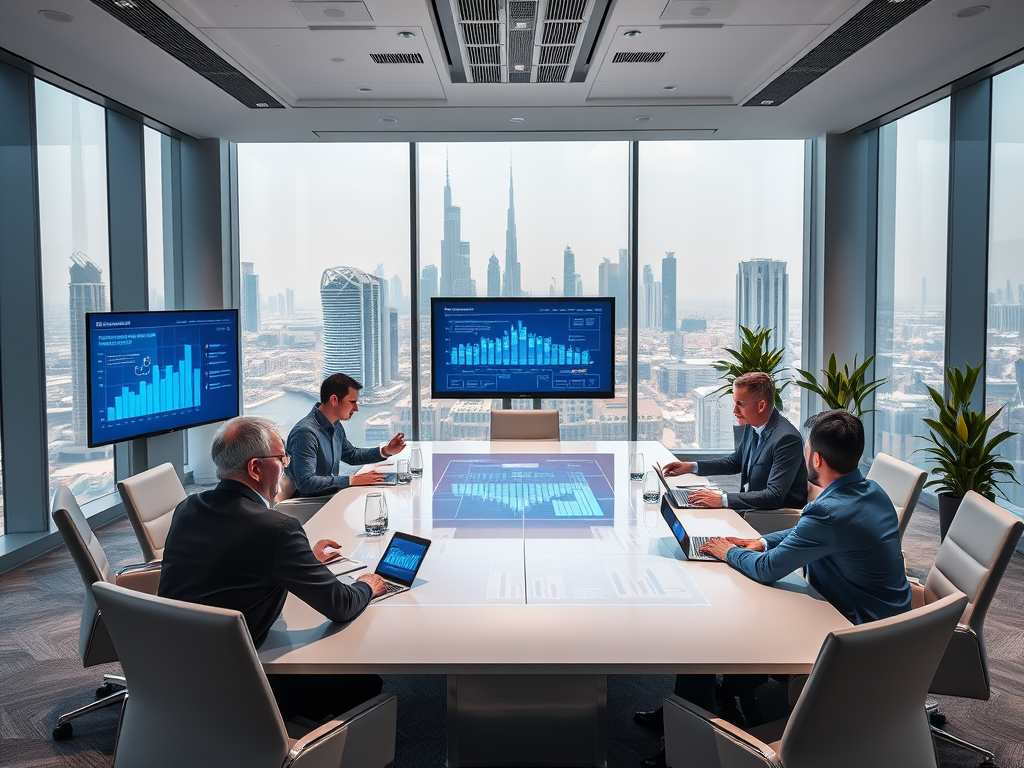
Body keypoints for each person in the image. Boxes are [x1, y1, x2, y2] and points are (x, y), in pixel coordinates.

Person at [636, 410, 911, 768]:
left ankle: (690, 739)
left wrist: (728, 550)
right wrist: (759, 541)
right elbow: (808, 533)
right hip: (891, 630)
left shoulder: (828, 511)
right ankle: (712, 701)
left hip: (850, 637)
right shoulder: (871, 492)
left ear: (816, 459)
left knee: (707, 632)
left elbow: (767, 571)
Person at [159, 416, 388, 723]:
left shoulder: (188, 509)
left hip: (173, 669)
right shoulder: (276, 528)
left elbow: (229, 558)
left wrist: (302, 559)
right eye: (282, 458)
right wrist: (366, 584)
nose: (286, 465)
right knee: (366, 682)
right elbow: (341, 605)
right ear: (255, 468)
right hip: (242, 680)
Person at [661, 371, 807, 512]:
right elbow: (735, 462)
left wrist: (722, 500)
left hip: (770, 518)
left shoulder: (787, 439)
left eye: (740, 404)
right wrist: (691, 467)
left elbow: (773, 496)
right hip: (750, 510)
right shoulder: (752, 426)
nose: (734, 410)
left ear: (761, 406)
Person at [286, 373, 406, 497]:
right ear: (334, 400)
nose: (356, 408)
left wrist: (386, 451)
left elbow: (351, 455)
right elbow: (306, 483)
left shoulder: (335, 425)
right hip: (312, 505)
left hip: (330, 497)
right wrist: (352, 480)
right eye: (352, 402)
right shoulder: (305, 433)